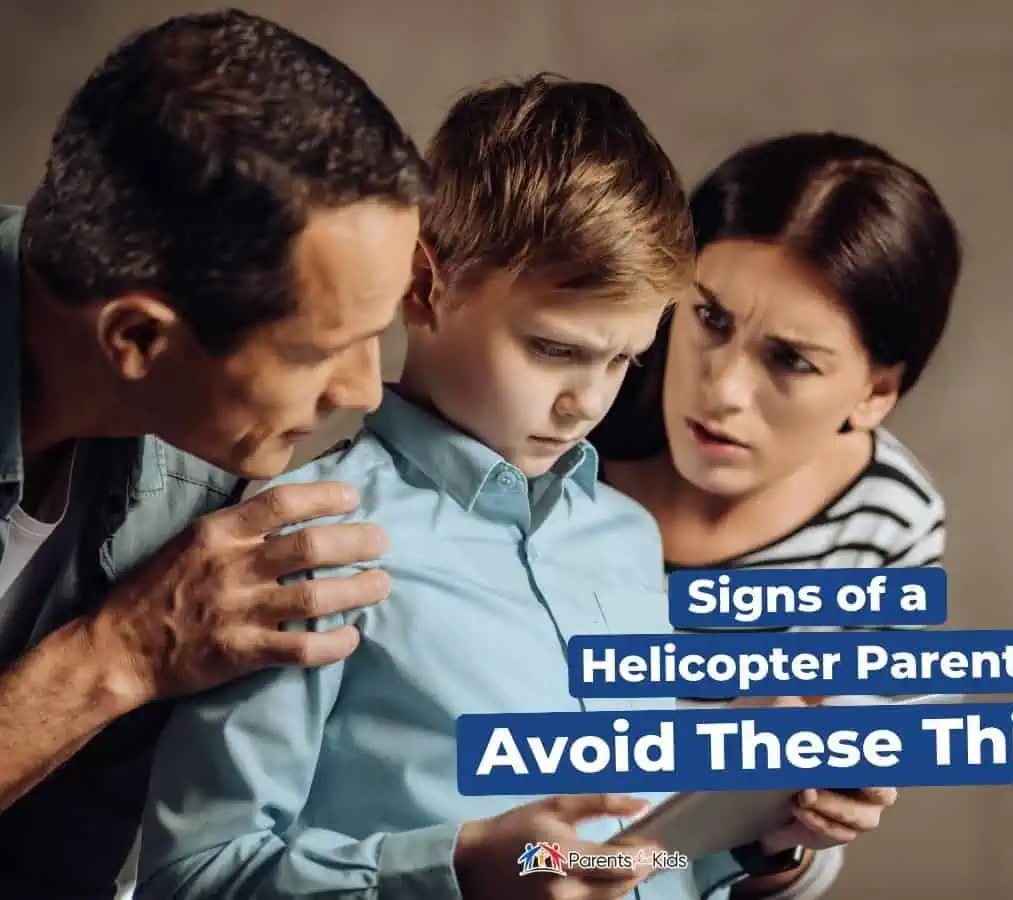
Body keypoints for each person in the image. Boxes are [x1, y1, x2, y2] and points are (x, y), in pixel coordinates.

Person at [134, 75, 896, 900]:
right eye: (553, 349)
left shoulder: (626, 540)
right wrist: (454, 871)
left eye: (624, 360)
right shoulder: (309, 543)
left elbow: (628, 862)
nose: (587, 402)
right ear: (427, 286)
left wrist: (757, 840)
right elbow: (196, 876)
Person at [0, 9, 433, 898]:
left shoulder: (223, 462)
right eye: (318, 352)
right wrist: (117, 656)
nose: (361, 390)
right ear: (137, 340)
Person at [589, 132, 964, 897]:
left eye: (790, 359)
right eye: (711, 318)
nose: (721, 388)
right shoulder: (559, 425)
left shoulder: (887, 522)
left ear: (876, 393)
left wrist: (785, 841)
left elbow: (760, 865)